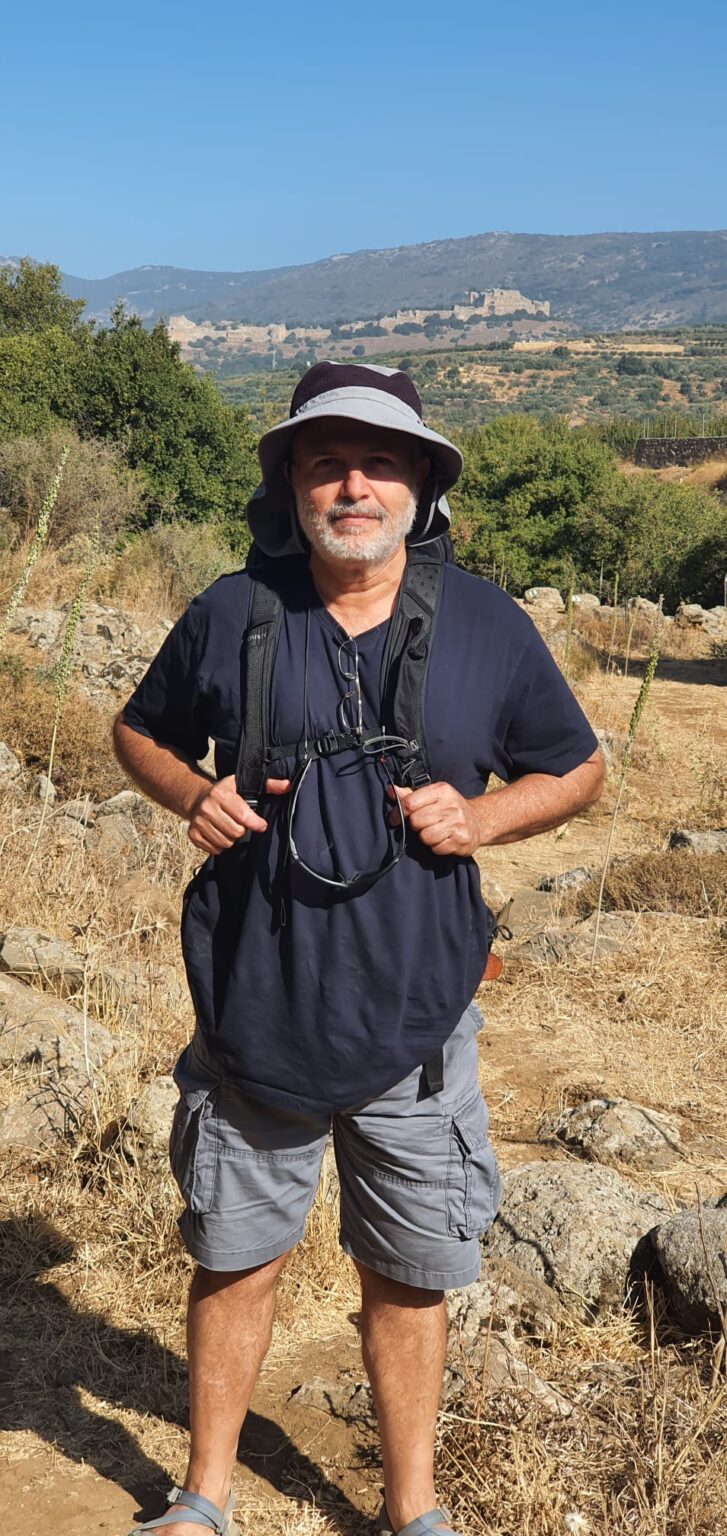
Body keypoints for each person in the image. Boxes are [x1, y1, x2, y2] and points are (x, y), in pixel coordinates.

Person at [114, 361, 603, 1536]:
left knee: (408, 1273)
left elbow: (579, 765)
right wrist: (191, 794)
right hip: (255, 1009)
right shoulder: (230, 612)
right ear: (289, 483)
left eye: (379, 462)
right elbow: (138, 731)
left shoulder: (487, 623)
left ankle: (412, 1511)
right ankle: (204, 1496)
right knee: (237, 1257)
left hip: (416, 1022)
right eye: (325, 462)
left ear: (420, 485)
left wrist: (482, 816)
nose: (352, 486)